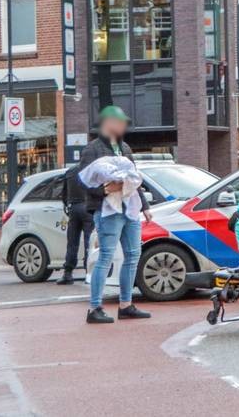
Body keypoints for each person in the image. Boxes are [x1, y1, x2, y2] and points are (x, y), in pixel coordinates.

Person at [79, 105, 152, 324]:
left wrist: (145, 206)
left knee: (133, 255)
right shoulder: (92, 149)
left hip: (129, 209)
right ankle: (94, 308)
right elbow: (82, 180)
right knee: (106, 257)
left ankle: (125, 305)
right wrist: (102, 191)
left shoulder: (125, 147)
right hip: (107, 210)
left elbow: (134, 178)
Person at [58, 161, 94, 285]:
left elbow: (64, 193)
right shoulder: (90, 170)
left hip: (73, 208)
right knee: (89, 241)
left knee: (72, 242)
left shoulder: (70, 171)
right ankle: (88, 273)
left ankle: (68, 273)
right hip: (88, 208)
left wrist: (68, 205)